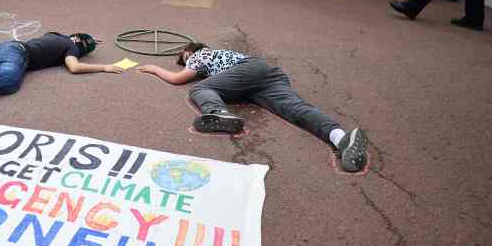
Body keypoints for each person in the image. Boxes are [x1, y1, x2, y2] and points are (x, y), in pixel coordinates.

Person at [136, 42, 369, 173]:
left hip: (248, 72)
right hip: (267, 76)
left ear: (190, 51)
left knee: (199, 90)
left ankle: (219, 113)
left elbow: (178, 79)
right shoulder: (220, 59)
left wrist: (154, 68)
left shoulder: (200, 54)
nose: (185, 61)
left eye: (183, 57)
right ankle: (341, 138)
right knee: (295, 109)